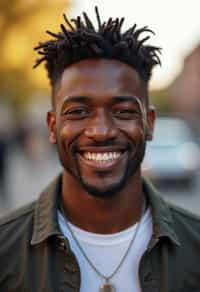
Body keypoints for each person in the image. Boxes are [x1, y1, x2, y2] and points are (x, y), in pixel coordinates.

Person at [0, 7, 200, 292]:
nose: (101, 131)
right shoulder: (5, 252)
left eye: (122, 111)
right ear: (52, 126)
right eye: (79, 111)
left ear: (149, 123)